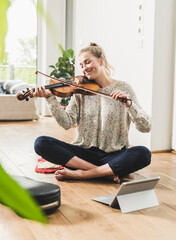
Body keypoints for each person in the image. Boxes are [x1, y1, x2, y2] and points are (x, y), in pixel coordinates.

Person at [32, 42, 151, 183]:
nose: (84, 69)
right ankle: (104, 173)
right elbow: (66, 123)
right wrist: (50, 98)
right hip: (83, 154)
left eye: (87, 62)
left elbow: (146, 127)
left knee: (143, 153)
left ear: (101, 60)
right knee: (41, 143)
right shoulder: (80, 91)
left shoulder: (124, 88)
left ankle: (83, 174)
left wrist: (129, 105)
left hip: (114, 155)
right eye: (81, 66)